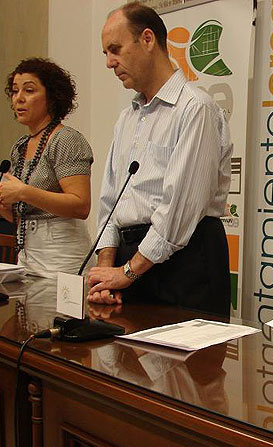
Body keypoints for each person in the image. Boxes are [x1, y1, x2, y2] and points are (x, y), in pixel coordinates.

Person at [87, 3, 232, 316]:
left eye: (115, 49)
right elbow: (111, 202)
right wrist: (105, 273)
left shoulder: (195, 109)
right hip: (132, 263)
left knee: (187, 350)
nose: (109, 62)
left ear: (147, 39)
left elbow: (180, 209)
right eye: (106, 53)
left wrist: (127, 272)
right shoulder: (127, 118)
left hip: (184, 264)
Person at [0, 58, 93, 278]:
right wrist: (2, 206)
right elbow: (25, 216)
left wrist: (24, 192)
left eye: (29, 90)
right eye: (15, 91)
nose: (19, 98)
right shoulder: (20, 146)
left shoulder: (66, 139)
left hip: (62, 254)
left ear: (52, 97)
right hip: (27, 255)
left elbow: (81, 206)